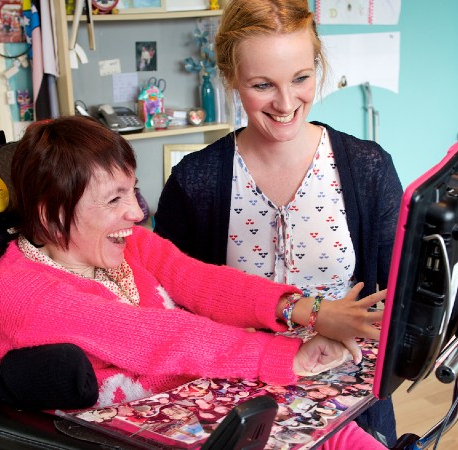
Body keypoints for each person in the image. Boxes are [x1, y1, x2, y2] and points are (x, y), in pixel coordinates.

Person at [0, 116, 387, 449]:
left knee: (340, 434)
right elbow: (156, 336)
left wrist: (306, 310)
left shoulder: (129, 245)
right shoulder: (24, 292)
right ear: (52, 217)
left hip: (203, 399)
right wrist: (289, 357)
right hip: (140, 433)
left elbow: (203, 282)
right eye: (113, 200)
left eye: (133, 192)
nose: (136, 213)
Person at [153, 0, 403, 445]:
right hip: (237, 405)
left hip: (347, 406)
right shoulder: (196, 182)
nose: (286, 103)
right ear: (231, 78)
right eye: (262, 84)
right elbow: (168, 311)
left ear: (317, 66)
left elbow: (393, 304)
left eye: (301, 79)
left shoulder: (368, 170)